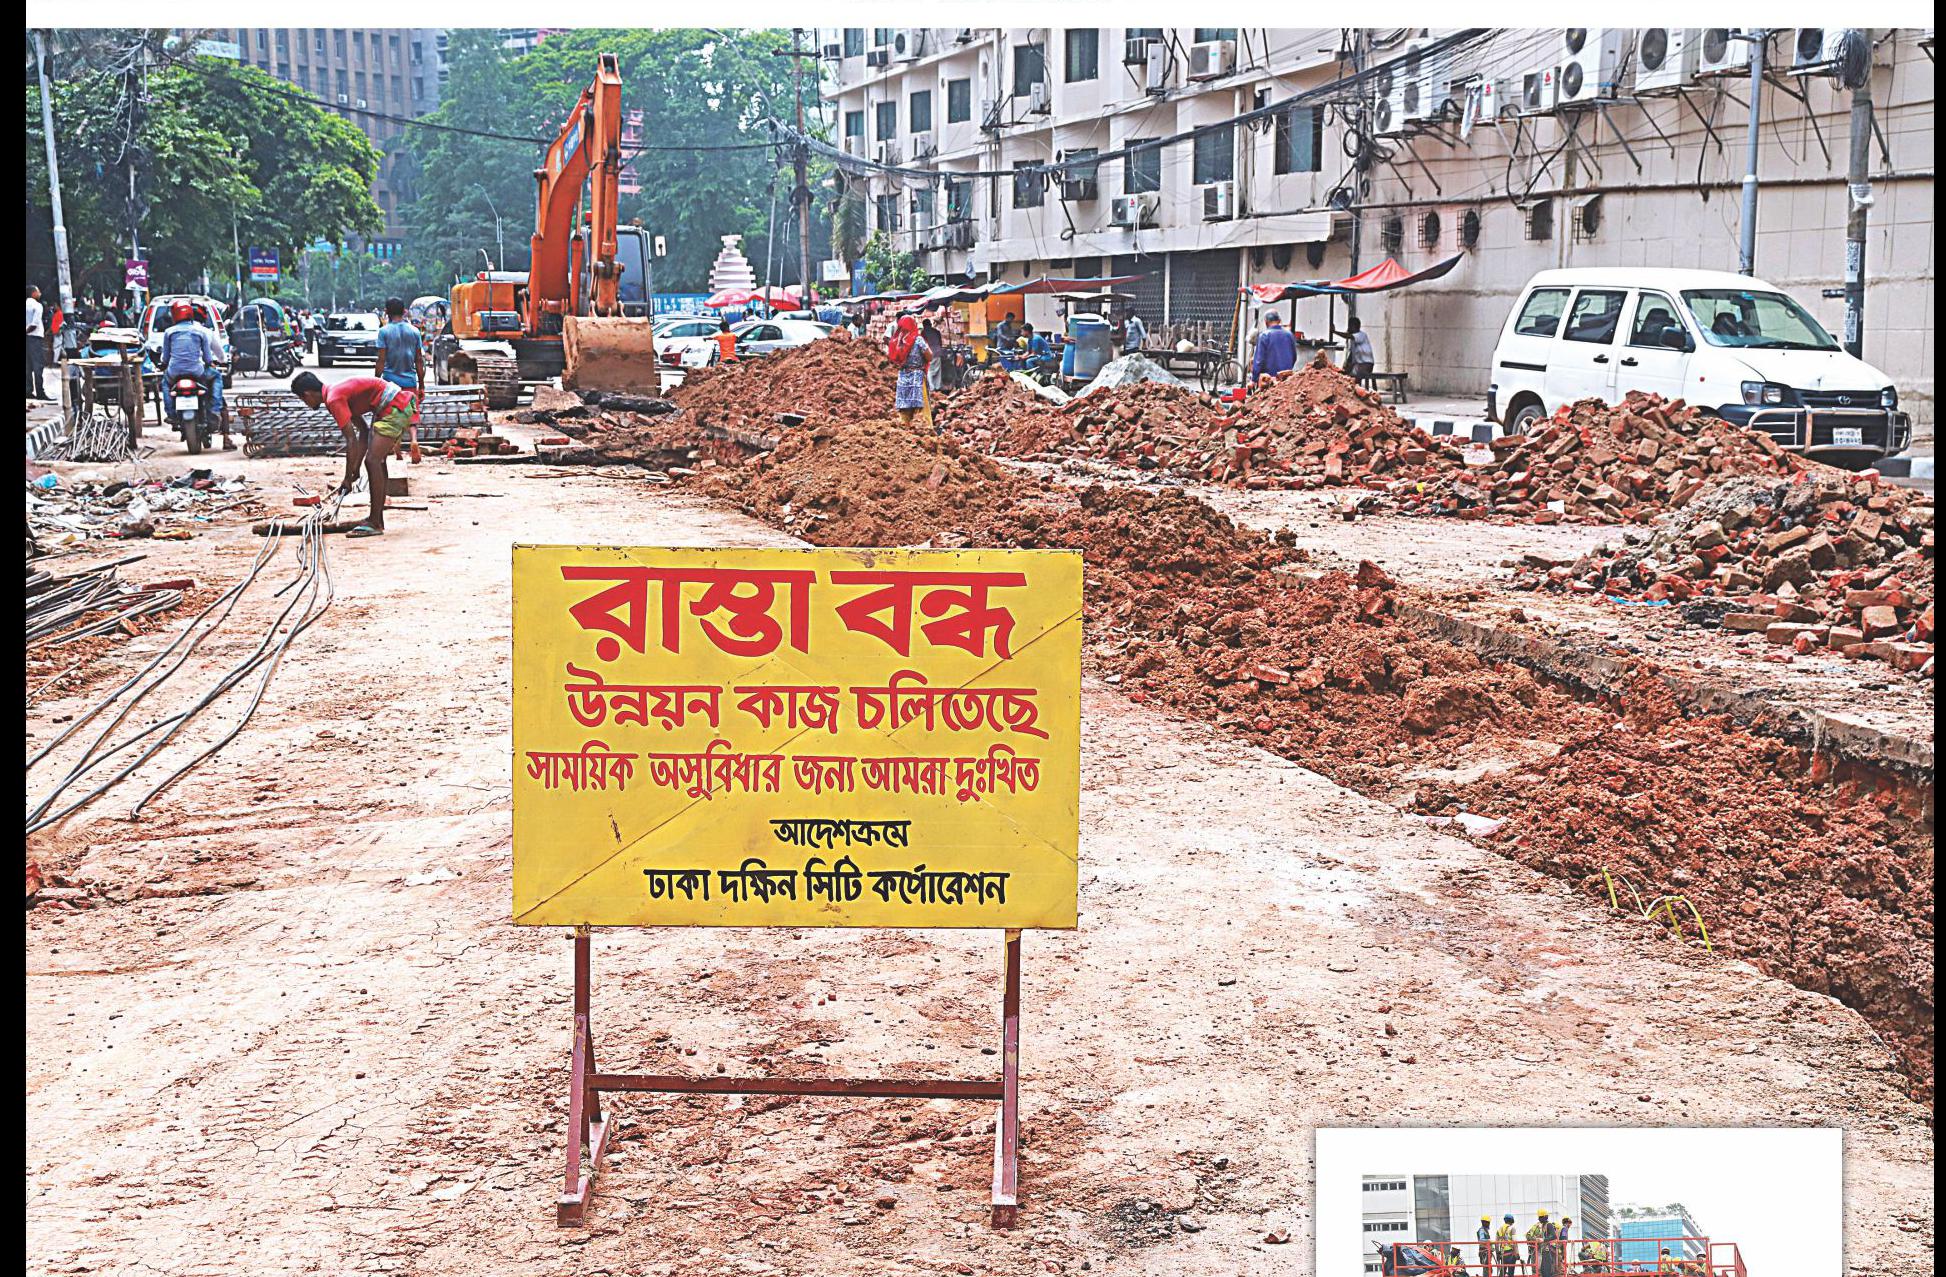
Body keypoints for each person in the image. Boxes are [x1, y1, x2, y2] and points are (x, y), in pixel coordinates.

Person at [291, 369, 416, 538]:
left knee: (373, 461)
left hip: (395, 406)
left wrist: (347, 478)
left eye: (303, 399)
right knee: (377, 461)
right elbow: (363, 432)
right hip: (395, 404)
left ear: (307, 394)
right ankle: (376, 519)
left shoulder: (334, 399)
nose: (305, 403)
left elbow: (351, 441)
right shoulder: (336, 393)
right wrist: (354, 470)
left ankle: (375, 522)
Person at [159, 299, 234, 448]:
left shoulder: (169, 332)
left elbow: (165, 357)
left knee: (165, 383)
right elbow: (208, 358)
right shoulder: (203, 332)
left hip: (174, 372)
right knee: (216, 376)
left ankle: (171, 413)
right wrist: (211, 363)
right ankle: (215, 409)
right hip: (197, 372)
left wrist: (164, 364)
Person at [886, 315, 932, 427]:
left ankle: (904, 427)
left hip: (903, 377)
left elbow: (893, 359)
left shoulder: (897, 341)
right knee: (920, 406)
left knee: (904, 406)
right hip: (917, 377)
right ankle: (924, 428)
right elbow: (929, 356)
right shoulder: (918, 339)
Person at [1251, 311, 1298, 383]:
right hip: (1286, 380)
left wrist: (1254, 379)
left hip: (1269, 381)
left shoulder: (1264, 336)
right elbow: (1294, 357)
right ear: (1279, 321)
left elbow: (1259, 361)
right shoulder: (1289, 335)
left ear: (1266, 322)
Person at [27, 285, 49, 400]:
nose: (40, 294)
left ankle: (28, 390)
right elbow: (34, 324)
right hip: (35, 338)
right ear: (33, 293)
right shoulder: (37, 305)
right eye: (38, 291)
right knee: (38, 365)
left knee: (27, 365)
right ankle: (40, 392)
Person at [1339, 314, 1376, 382]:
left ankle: (1355, 385)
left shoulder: (1361, 335)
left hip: (1366, 365)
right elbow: (1352, 355)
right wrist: (1346, 366)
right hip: (1359, 365)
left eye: (1349, 326)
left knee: (1351, 376)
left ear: (1354, 326)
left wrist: (1334, 332)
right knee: (1345, 374)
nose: (1348, 328)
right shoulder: (1354, 340)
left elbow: (1348, 336)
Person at [920, 318, 944, 393]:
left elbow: (923, 345)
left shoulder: (923, 332)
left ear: (924, 325)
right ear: (930, 324)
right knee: (938, 371)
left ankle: (931, 388)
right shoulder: (936, 331)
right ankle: (938, 387)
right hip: (938, 352)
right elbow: (940, 342)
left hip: (929, 353)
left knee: (929, 370)